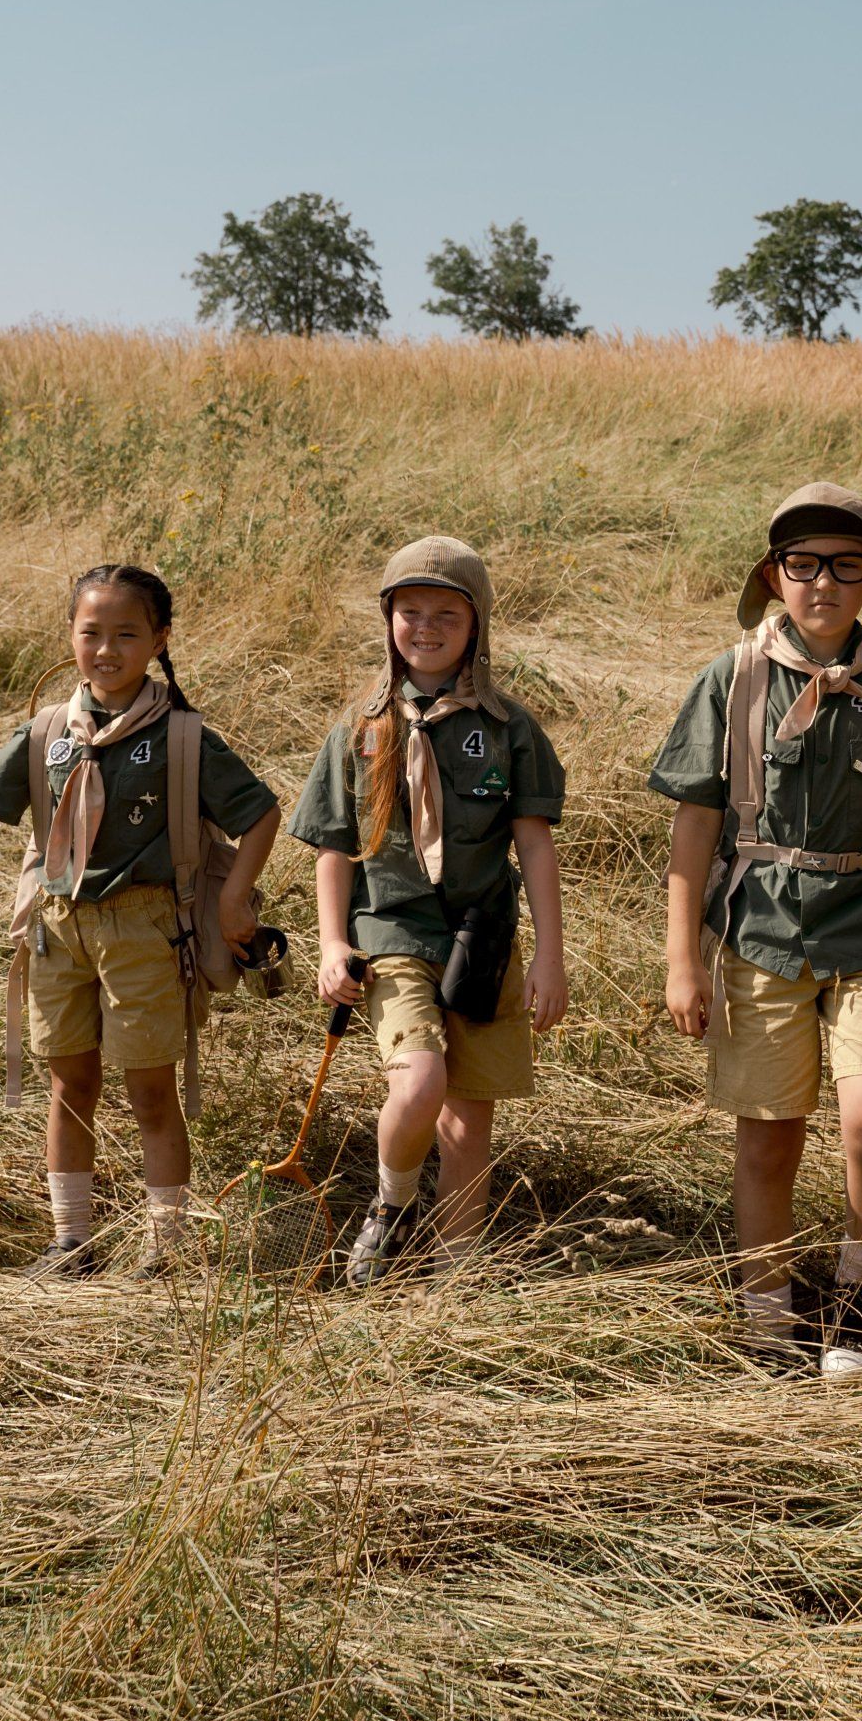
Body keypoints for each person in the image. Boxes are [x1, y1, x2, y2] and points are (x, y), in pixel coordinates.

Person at [649, 485, 862, 1378]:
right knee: (769, 1136)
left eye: (843, 565)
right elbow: (694, 831)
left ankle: (858, 1301)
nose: (821, 583)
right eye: (801, 566)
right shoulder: (733, 679)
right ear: (774, 578)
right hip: (760, 935)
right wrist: (683, 962)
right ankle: (768, 1321)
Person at [0, 564, 280, 1278]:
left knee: (151, 1089)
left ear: (159, 640)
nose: (106, 650)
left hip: (145, 930)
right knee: (70, 1085)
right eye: (90, 632)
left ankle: (167, 1249)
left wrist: (233, 897)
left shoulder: (182, 737)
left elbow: (260, 813)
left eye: (127, 634)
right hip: (58, 927)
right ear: (70, 636)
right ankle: (72, 1241)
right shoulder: (45, 734)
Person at [290, 536, 567, 1283]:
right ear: (387, 621)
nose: (426, 627)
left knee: (468, 1120)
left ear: (477, 625)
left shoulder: (509, 728)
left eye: (447, 612)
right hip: (392, 932)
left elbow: (534, 845)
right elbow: (334, 848)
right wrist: (329, 943)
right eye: (409, 612)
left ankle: (454, 1274)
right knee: (419, 1083)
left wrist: (548, 956)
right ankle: (392, 1204)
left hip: (482, 938)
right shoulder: (360, 727)